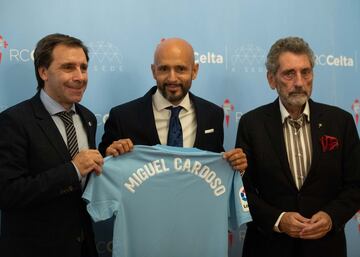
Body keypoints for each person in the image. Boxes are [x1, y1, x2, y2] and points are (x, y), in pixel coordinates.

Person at [235, 36, 360, 257]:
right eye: (289, 74)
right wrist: (279, 220)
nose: (300, 82)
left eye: (306, 72)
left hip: (326, 248)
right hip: (268, 248)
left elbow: (356, 184)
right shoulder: (251, 124)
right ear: (271, 79)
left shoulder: (341, 122)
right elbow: (242, 190)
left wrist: (331, 216)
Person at [0, 33, 104, 257]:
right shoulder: (14, 121)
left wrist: (112, 160)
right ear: (43, 72)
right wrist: (72, 170)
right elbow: (8, 193)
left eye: (83, 68)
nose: (80, 77)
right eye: (68, 67)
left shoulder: (88, 118)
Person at [99, 37, 247, 172]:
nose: (172, 78)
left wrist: (233, 165)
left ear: (194, 71)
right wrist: (109, 155)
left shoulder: (212, 114)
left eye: (180, 69)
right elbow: (104, 168)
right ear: (153, 71)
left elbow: (215, 168)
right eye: (164, 69)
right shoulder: (122, 117)